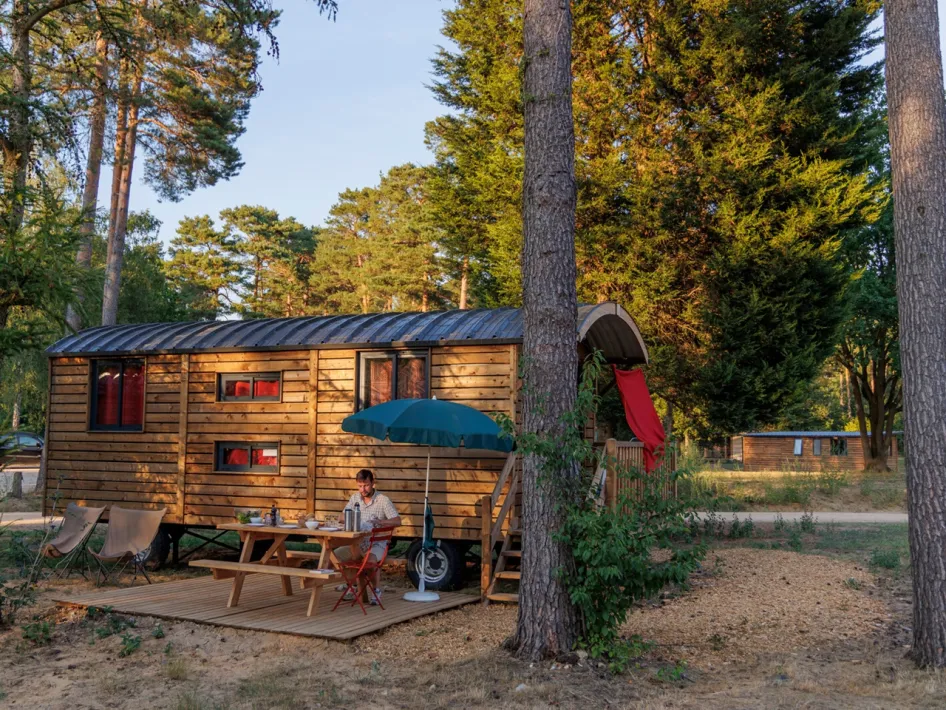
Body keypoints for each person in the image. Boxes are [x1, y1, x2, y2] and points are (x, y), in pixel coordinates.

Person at [335, 469, 401, 605]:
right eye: (360, 486)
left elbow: (397, 521)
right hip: (357, 543)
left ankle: (376, 590)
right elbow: (341, 516)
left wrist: (380, 522)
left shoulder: (382, 500)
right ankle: (353, 584)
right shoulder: (355, 498)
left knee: (369, 562)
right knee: (333, 558)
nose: (363, 489)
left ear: (373, 483)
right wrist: (349, 518)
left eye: (366, 485)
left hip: (377, 543)